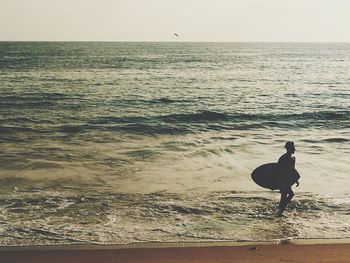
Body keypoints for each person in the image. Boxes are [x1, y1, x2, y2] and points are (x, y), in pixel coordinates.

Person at [277, 141, 299, 217]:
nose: (294, 149)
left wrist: (295, 179)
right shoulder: (283, 158)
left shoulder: (293, 158)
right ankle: (280, 210)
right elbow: (278, 169)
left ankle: (280, 211)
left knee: (284, 195)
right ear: (288, 148)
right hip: (283, 180)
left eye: (294, 147)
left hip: (289, 180)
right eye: (293, 147)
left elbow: (293, 170)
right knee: (290, 194)